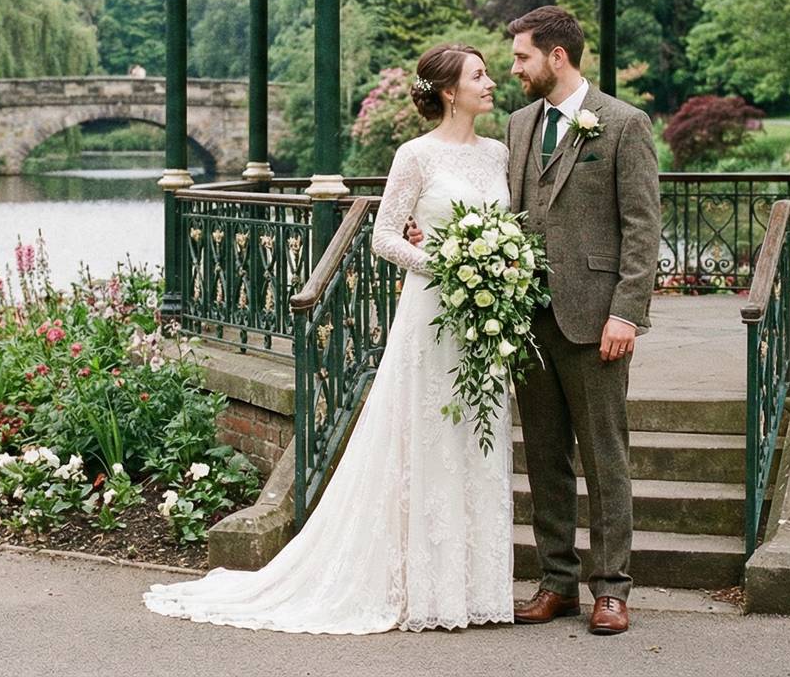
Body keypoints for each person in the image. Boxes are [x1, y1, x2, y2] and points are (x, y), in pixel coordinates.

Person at [142, 42, 515, 633]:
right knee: (426, 440)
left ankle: (471, 590)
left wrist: (502, 263)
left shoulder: (498, 153)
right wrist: (442, 261)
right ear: (450, 91)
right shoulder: (415, 156)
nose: (491, 81)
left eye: (489, 72)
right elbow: (385, 237)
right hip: (432, 310)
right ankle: (423, 588)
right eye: (479, 74)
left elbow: (508, 226)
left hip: (483, 320)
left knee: (475, 436)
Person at [500, 5, 660, 635]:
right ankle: (556, 583)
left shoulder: (624, 124)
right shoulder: (517, 126)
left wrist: (627, 311)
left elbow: (642, 227)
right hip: (525, 317)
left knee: (604, 456)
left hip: (596, 319)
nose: (514, 68)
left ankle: (612, 589)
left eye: (522, 57)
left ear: (556, 57)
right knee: (543, 456)